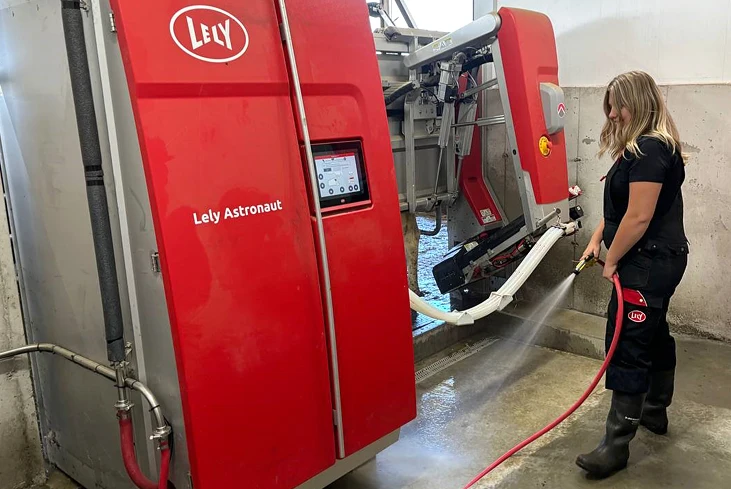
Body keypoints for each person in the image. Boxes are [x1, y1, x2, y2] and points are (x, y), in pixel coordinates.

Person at [575, 71, 689, 478]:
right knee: (652, 332)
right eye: (608, 104)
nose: (611, 112)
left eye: (617, 104)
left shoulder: (652, 149)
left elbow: (639, 218)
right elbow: (627, 210)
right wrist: (597, 238)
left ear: (637, 102)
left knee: (627, 342)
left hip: (648, 262)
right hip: (657, 258)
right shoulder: (641, 148)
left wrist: (611, 261)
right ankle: (655, 412)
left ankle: (615, 447)